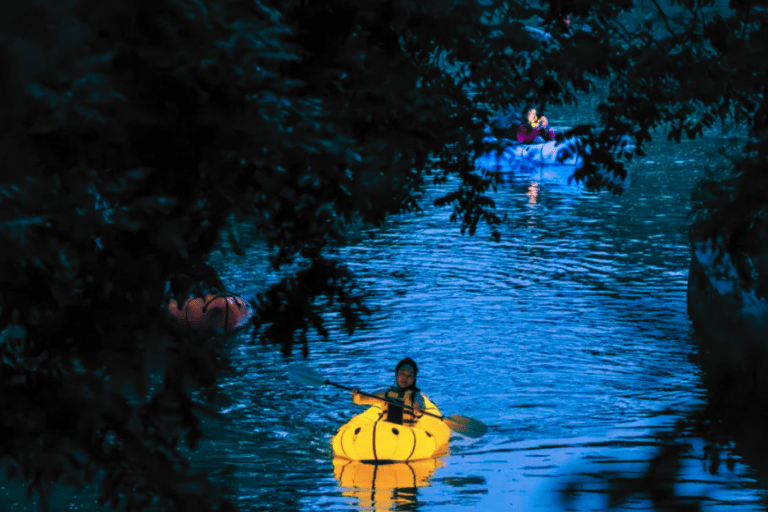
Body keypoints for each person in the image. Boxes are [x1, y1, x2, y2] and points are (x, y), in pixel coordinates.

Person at [351, 358, 426, 426]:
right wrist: (356, 394)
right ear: (396, 375)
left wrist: (418, 408)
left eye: (409, 375)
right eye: (402, 373)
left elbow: (420, 409)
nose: (405, 378)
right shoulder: (385, 393)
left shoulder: (416, 396)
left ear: (414, 379)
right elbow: (359, 400)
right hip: (387, 435)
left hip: (406, 437)